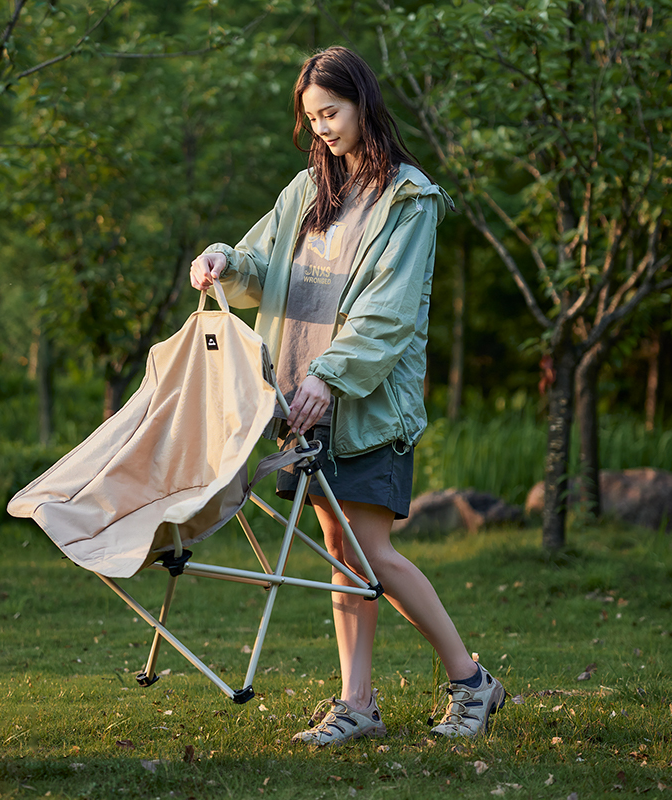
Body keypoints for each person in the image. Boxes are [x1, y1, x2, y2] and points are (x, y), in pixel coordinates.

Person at [190, 45, 505, 746]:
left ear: (363, 103)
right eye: (312, 118)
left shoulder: (408, 200)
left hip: (362, 404)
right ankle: (357, 702)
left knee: (372, 554)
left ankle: (473, 683)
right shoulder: (307, 191)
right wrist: (223, 260)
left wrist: (330, 377)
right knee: (343, 554)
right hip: (300, 403)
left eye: (330, 112)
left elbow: (386, 315)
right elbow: (261, 264)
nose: (323, 128)